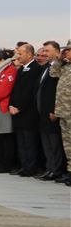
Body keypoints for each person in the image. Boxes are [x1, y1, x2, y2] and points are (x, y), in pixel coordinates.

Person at [9, 44, 42, 176]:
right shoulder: (21, 69)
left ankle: (31, 167)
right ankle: (24, 165)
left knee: (29, 141)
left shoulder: (35, 69)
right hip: (16, 111)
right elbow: (15, 90)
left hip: (28, 112)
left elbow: (30, 92)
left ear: (29, 54)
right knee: (21, 141)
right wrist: (11, 104)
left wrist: (19, 107)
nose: (18, 56)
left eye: (21, 54)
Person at [36, 42, 64, 181]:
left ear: (57, 52)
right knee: (47, 143)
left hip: (52, 111)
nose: (45, 53)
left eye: (47, 51)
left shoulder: (59, 68)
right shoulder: (47, 68)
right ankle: (50, 168)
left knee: (54, 143)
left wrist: (54, 109)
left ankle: (56, 169)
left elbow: (58, 92)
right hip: (43, 111)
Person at [50, 40, 71, 185]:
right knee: (68, 145)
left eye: (68, 50)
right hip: (63, 111)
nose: (66, 52)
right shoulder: (65, 66)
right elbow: (53, 73)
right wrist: (59, 59)